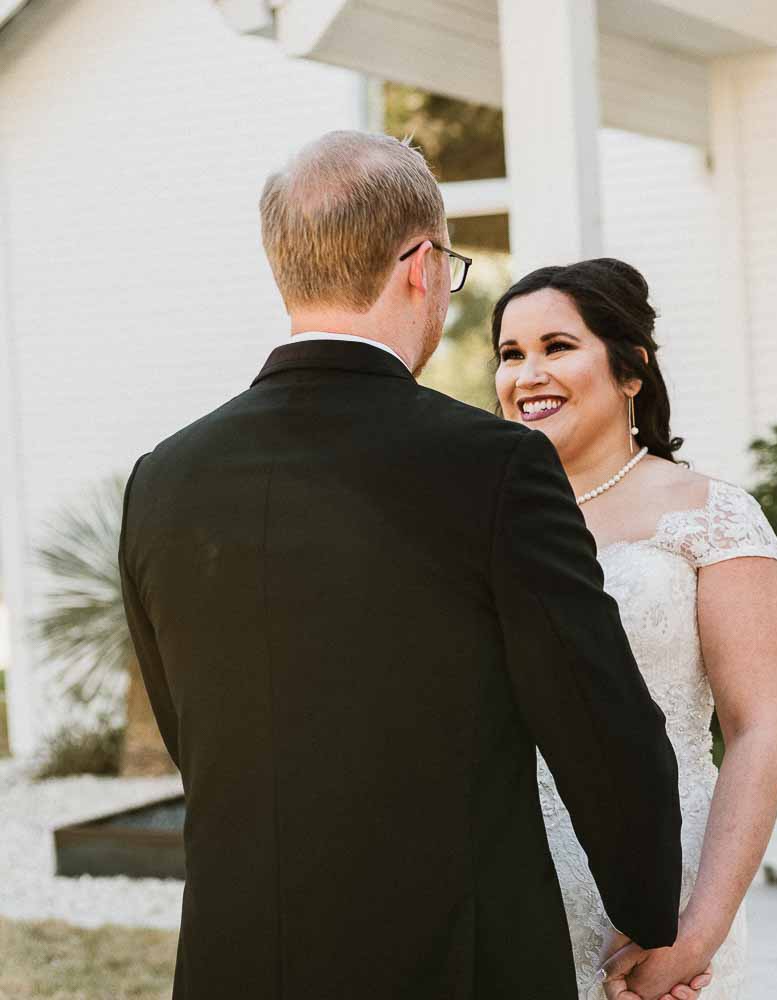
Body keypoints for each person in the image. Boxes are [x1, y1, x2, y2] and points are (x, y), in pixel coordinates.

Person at [117, 131, 701, 1000]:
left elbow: (190, 734)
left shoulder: (163, 477)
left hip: (236, 961)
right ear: (421, 266)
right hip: (454, 963)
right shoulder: (494, 466)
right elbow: (599, 725)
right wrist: (652, 916)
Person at [491, 259, 777, 1000]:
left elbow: (759, 731)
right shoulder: (485, 521)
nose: (527, 374)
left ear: (632, 370)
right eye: (510, 354)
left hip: (665, 894)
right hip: (508, 894)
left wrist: (695, 934)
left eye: (557, 346)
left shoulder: (712, 516)